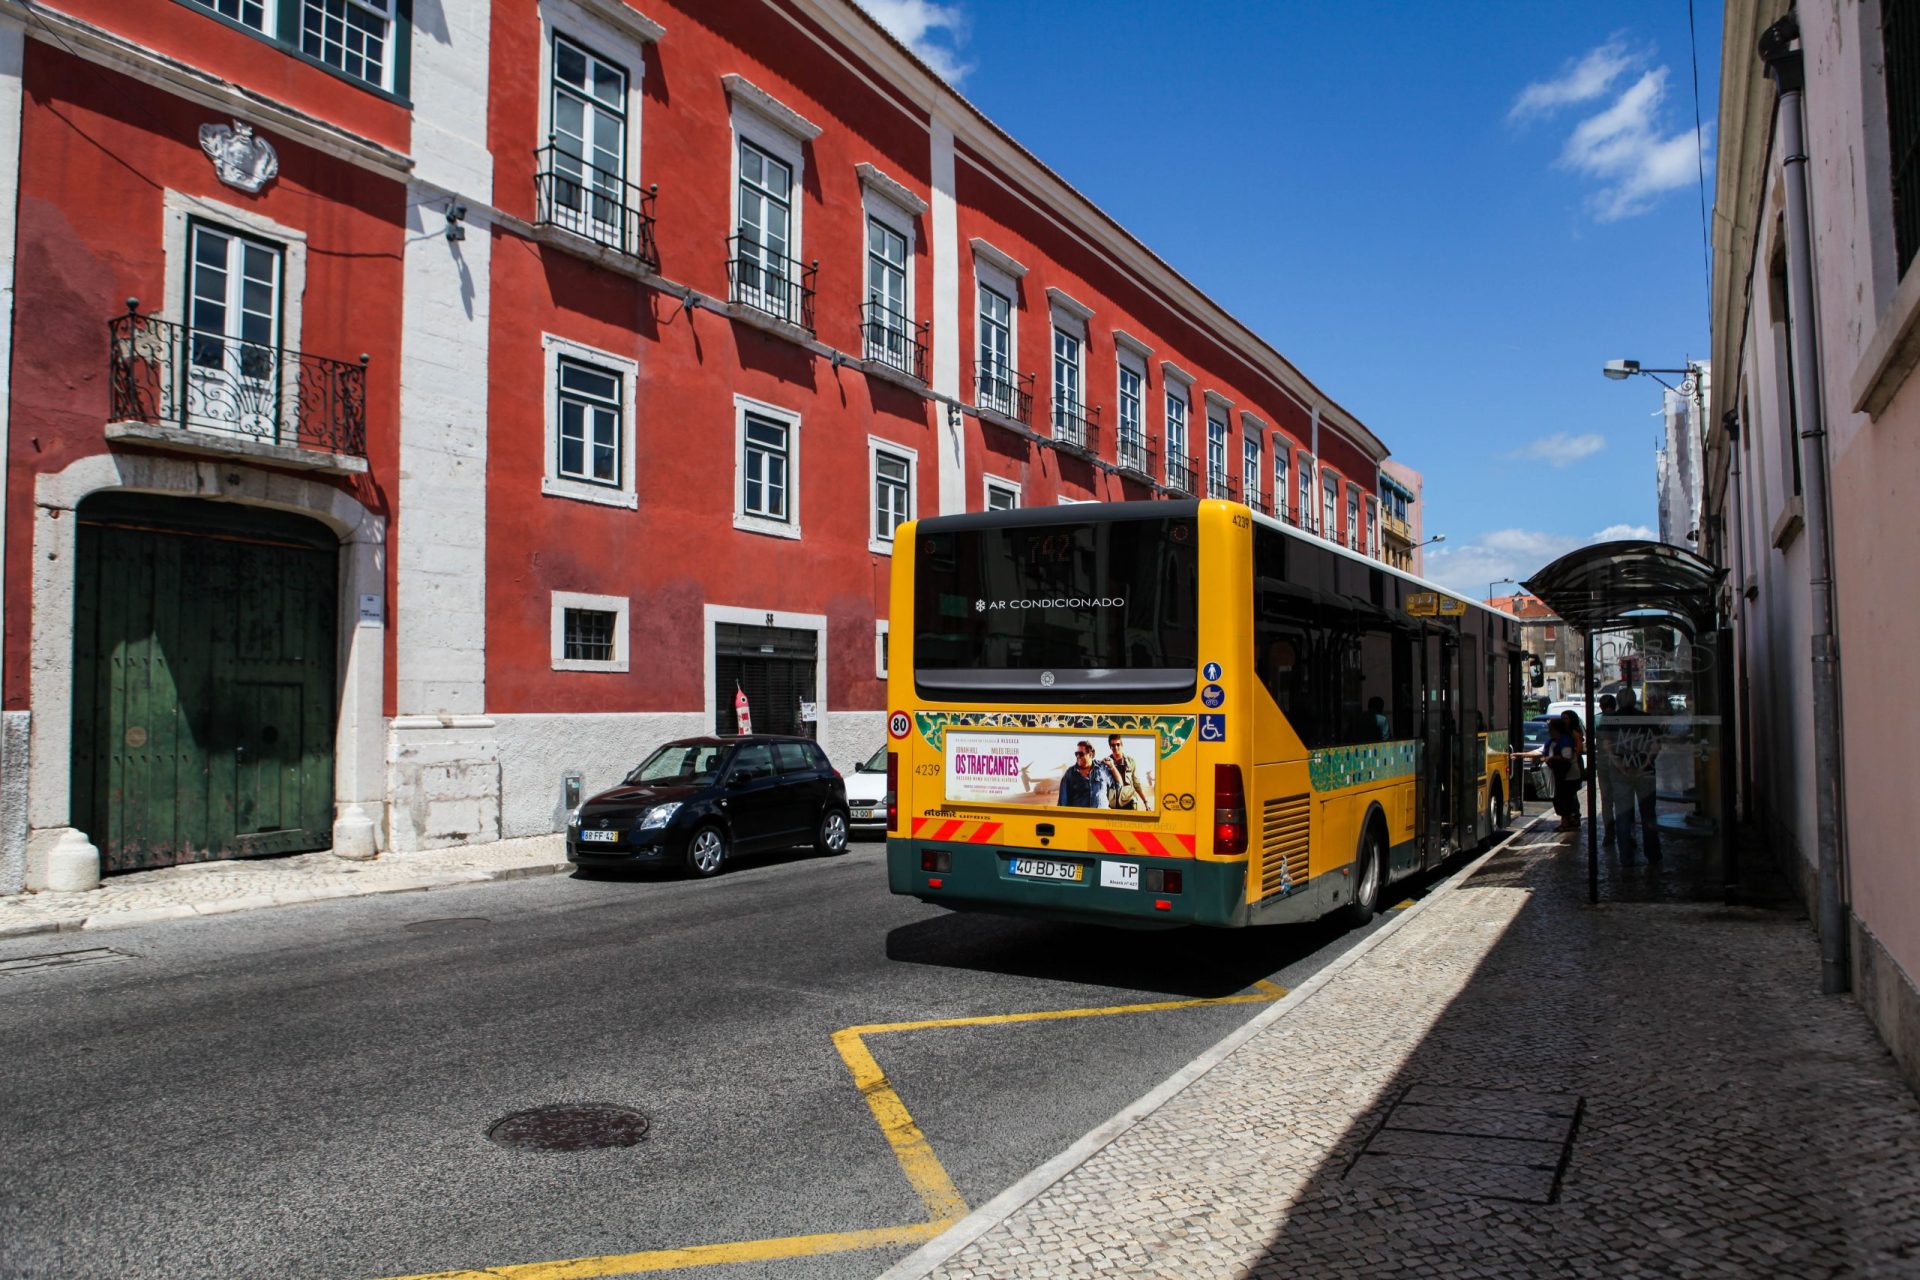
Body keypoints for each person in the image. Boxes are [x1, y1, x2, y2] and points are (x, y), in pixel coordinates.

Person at [1550, 710, 1585, 833]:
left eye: (1566, 718)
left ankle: (1571, 819)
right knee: (1568, 795)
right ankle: (1570, 819)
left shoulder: (1573, 733)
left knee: (1569, 794)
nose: (1563, 720)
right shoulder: (1563, 734)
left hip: (1571, 767)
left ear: (1572, 720)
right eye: (1562, 718)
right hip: (1566, 767)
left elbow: (1579, 749)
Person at [1057, 740, 1115, 808]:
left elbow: (1117, 785)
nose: (1078, 756)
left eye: (1081, 754)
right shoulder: (1070, 773)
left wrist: (1112, 766)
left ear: (1090, 754)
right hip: (1080, 817)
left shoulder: (1102, 768)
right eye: (1076, 754)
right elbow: (1062, 802)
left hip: (1102, 816)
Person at [1595, 693, 1619, 850]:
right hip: (1621, 764)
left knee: (1606, 800)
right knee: (1622, 798)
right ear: (1615, 705)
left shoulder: (1596, 719)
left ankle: (1609, 834)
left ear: (1601, 706)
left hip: (1603, 764)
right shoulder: (1620, 719)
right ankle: (1625, 832)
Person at [1104, 735, 1150, 811]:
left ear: (1122, 745)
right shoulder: (1106, 763)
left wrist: (1145, 802)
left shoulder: (1131, 762)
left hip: (1129, 802)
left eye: (1118, 744)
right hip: (1113, 805)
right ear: (1110, 747)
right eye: (1113, 745)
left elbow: (1136, 784)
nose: (1115, 747)